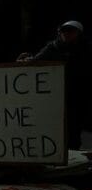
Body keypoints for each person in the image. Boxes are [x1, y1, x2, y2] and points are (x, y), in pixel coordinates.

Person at [17, 20, 92, 150]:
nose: (67, 34)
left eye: (71, 31)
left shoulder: (85, 49)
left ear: (78, 33)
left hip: (78, 95)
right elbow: (36, 61)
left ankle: (73, 154)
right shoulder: (53, 47)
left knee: (74, 127)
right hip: (56, 95)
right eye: (64, 31)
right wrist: (24, 62)